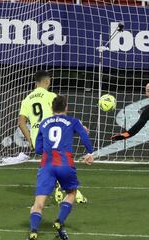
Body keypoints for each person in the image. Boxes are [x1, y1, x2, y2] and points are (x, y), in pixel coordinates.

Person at [27, 95, 94, 240]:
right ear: (66, 108)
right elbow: (84, 136)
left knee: (38, 203)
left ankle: (33, 232)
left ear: (52, 108)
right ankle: (59, 222)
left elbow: (38, 149)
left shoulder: (44, 123)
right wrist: (90, 152)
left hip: (46, 166)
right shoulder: (73, 121)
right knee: (71, 193)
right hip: (65, 164)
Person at [18, 70, 87, 204]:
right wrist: (78, 127)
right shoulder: (51, 96)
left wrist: (30, 140)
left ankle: (58, 188)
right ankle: (72, 192)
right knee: (64, 162)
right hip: (52, 136)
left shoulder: (27, 99)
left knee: (50, 163)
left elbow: (21, 123)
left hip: (38, 140)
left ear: (35, 82)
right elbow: (61, 116)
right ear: (47, 81)